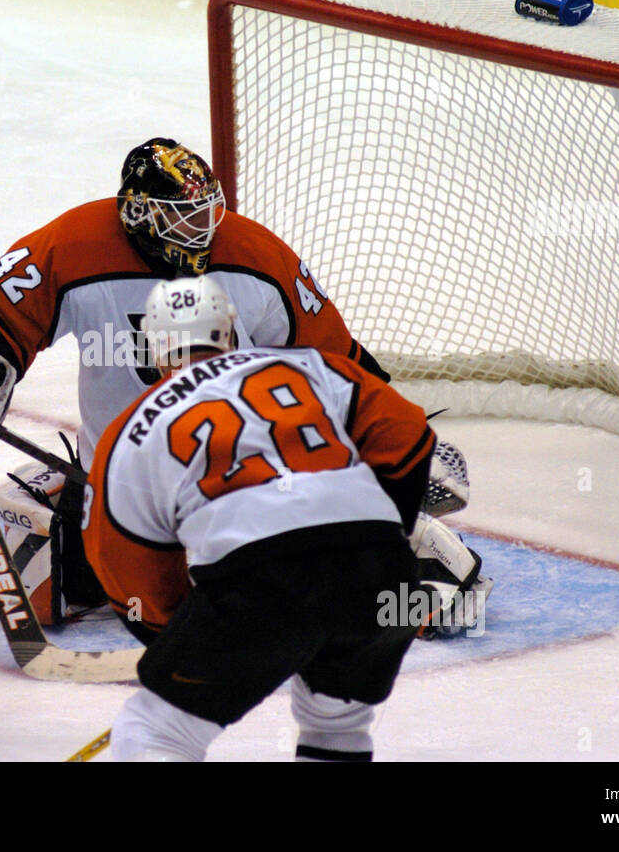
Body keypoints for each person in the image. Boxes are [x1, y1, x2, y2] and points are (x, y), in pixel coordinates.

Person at [0, 137, 483, 622]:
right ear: (138, 212)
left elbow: (337, 362)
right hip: (120, 483)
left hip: (232, 480)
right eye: (183, 218)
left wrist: (396, 446)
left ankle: (404, 551)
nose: (203, 230)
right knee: (70, 584)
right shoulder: (75, 245)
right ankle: (66, 502)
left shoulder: (256, 255)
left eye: (207, 213)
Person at [84, 276, 431, 761]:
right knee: (338, 727)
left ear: (154, 345)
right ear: (229, 330)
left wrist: (184, 635)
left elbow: (121, 554)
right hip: (383, 580)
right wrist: (381, 537)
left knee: (154, 732)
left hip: (262, 585)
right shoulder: (310, 365)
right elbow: (408, 432)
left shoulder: (135, 424)